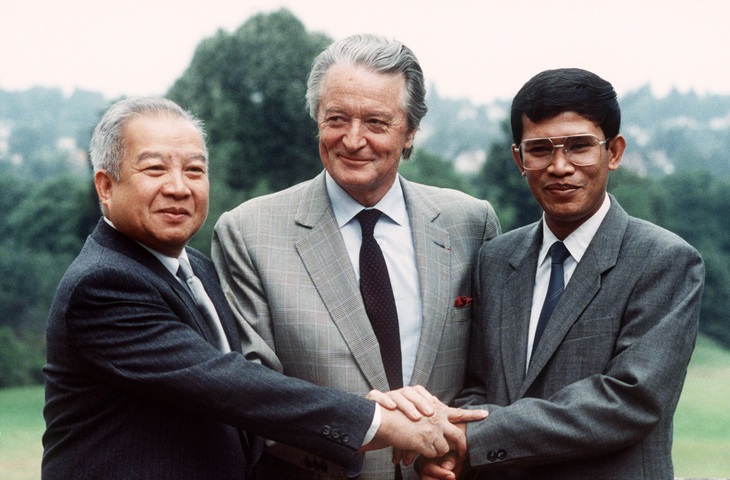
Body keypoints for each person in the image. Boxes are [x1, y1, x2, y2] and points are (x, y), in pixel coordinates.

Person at [41, 97, 487, 480]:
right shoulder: (103, 286)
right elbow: (229, 385)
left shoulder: (194, 268)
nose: (178, 187)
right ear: (105, 185)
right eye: (155, 169)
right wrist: (377, 419)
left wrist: (369, 409)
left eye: (194, 170)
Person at [212, 33, 501, 479]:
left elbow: (491, 367)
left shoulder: (469, 223)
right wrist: (357, 423)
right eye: (337, 118)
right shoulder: (249, 232)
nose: (352, 139)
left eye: (376, 123)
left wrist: (453, 443)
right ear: (316, 122)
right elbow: (252, 393)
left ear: (410, 133)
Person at [419, 68, 705, 480]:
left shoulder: (665, 261)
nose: (559, 166)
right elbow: (476, 384)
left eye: (579, 146)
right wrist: (451, 448)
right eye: (540, 149)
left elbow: (629, 400)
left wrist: (475, 437)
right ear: (519, 158)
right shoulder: (495, 259)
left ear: (615, 152)